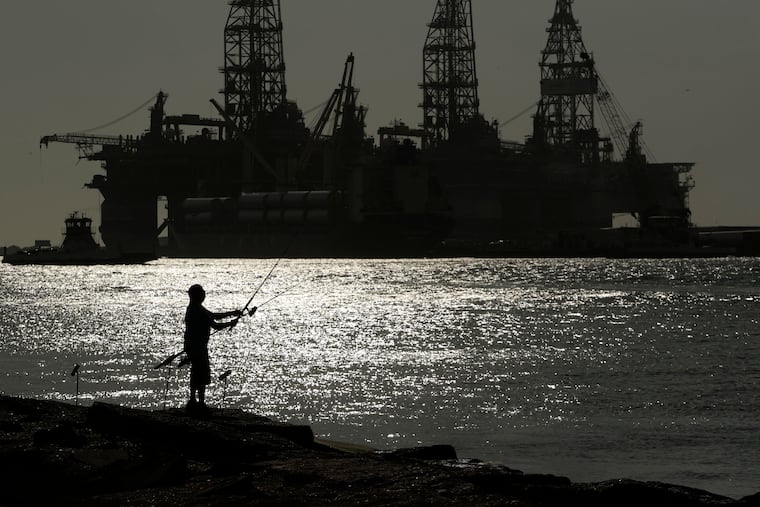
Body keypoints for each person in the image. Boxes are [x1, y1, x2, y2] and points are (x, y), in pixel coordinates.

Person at [183, 284, 242, 412]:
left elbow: (214, 315)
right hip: (197, 347)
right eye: (202, 293)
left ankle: (194, 401)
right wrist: (230, 323)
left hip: (192, 346)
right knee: (201, 373)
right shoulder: (197, 310)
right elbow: (215, 325)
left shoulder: (195, 308)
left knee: (196, 372)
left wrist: (233, 313)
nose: (204, 294)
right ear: (197, 295)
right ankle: (200, 403)